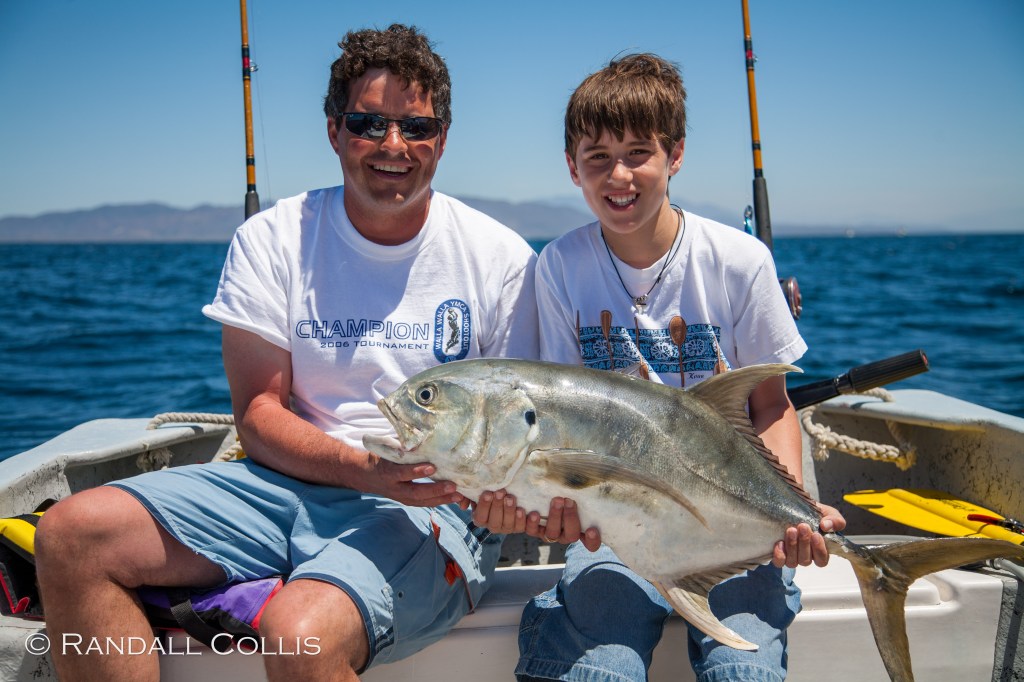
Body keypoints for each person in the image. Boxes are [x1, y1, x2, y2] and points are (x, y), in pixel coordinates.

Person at [34, 24, 538, 681]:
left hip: (436, 507)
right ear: (334, 131)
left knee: (297, 634)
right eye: (368, 123)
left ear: (441, 137)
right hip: (284, 486)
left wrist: (504, 497)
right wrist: (365, 468)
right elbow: (258, 412)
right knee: (70, 536)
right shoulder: (271, 238)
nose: (394, 146)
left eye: (415, 128)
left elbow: (523, 439)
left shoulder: (501, 258)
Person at [474, 53, 846, 682]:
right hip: (617, 531)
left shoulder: (739, 261)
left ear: (674, 155)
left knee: (744, 669)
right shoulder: (561, 267)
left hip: (731, 525)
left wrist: (795, 514)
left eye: (638, 153)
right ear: (573, 167)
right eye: (597, 158)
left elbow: (770, 404)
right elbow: (563, 425)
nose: (618, 175)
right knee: (600, 668)